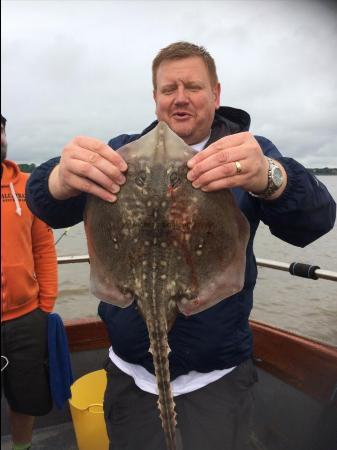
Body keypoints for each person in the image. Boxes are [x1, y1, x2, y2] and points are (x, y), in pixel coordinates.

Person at [26, 42, 336, 450]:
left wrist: (270, 176)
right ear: (155, 97)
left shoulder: (246, 151)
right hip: (129, 375)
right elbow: (47, 204)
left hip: (219, 378)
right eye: (168, 88)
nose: (180, 97)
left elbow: (315, 220)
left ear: (216, 94)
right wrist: (57, 177)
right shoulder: (121, 152)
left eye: (193, 86)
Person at [1, 114, 58, 450]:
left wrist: (45, 305)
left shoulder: (26, 186)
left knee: (26, 400)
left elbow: (43, 248)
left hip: (26, 318)